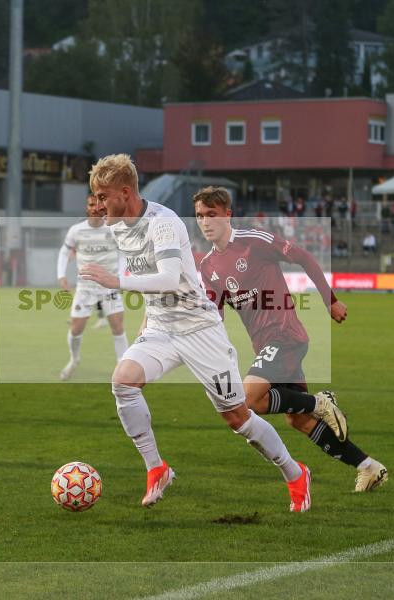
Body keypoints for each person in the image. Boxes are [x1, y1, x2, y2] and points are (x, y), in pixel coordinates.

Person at [80, 154, 312, 512]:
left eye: (103, 195)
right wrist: (146, 320)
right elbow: (146, 277)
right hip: (160, 328)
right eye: (95, 196)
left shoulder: (164, 223)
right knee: (123, 382)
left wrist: (116, 281)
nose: (98, 203)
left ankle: (295, 473)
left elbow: (170, 278)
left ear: (125, 192)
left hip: (199, 329)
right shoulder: (117, 224)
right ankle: (157, 467)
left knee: (237, 417)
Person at [194, 187, 387, 493]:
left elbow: (303, 257)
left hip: (284, 335)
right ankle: (368, 467)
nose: (205, 223)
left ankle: (321, 402)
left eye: (212, 215)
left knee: (250, 399)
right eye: (200, 216)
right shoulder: (207, 267)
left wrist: (330, 301)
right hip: (266, 345)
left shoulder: (252, 241)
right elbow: (214, 314)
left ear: (227, 215)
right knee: (298, 420)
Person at [56, 194, 128, 380]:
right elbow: (64, 252)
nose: (95, 208)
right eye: (91, 204)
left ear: (104, 206)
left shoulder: (113, 228)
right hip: (85, 288)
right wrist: (61, 275)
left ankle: (123, 366)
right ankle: (74, 360)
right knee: (75, 329)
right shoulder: (76, 230)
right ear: (86, 207)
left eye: (98, 204)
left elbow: (124, 253)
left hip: (109, 287)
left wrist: (119, 277)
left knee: (117, 326)